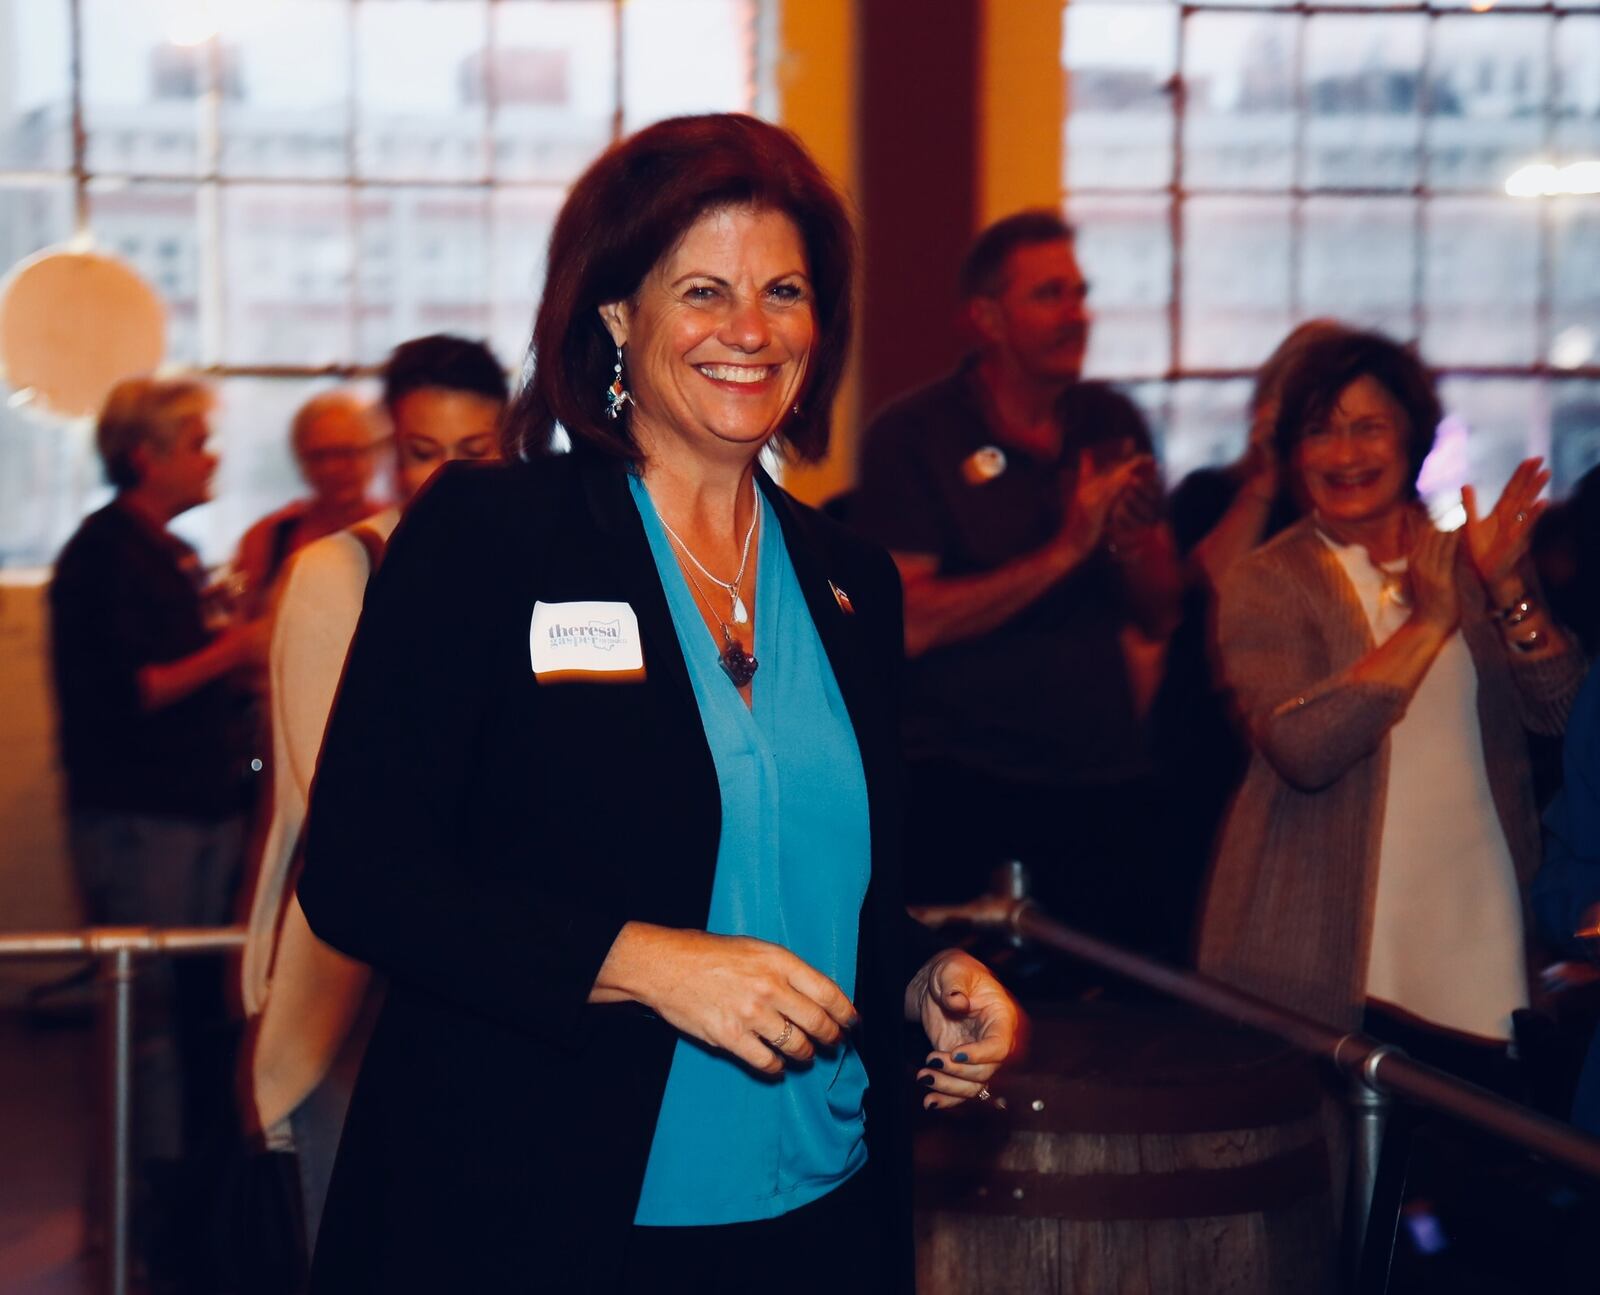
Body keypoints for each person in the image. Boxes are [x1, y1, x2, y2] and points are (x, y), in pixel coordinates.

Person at [292, 114, 1021, 1293]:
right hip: (550, 1212)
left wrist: (920, 975)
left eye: (782, 290)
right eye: (704, 289)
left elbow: (824, 884)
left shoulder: (850, 581)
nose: (748, 329)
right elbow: (360, 874)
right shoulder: (491, 537)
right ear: (618, 317)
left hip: (823, 1211)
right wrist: (641, 960)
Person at [1197, 329, 1584, 1059]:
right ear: (1292, 452)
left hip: (1479, 920)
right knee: (1336, 1158)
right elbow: (1303, 749)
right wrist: (1427, 623)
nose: (1346, 456)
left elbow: (1562, 713)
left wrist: (1505, 588)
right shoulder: (1269, 581)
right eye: (1321, 432)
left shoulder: (1470, 557)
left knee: (1476, 1148)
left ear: (1413, 438)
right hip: (1324, 941)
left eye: (1368, 428)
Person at [237, 335, 509, 1259]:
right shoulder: (338, 570)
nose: (444, 479)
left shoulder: (539, 564)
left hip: (500, 995)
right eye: (423, 452)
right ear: (396, 450)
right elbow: (344, 800)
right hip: (354, 992)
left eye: (472, 453)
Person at [850, 209, 1181, 948]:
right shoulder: (917, 435)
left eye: (1080, 292)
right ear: (987, 318)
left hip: (1102, 779)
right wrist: (1067, 549)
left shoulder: (1109, 418)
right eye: (1050, 295)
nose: (1076, 315)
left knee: (1128, 1025)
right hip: (964, 786)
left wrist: (1128, 540)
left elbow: (1162, 612)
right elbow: (907, 622)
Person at [49, 375, 266, 1287]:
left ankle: (177, 1221)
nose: (211, 458)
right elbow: (135, 690)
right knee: (154, 1025)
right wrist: (240, 647)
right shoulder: (105, 554)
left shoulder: (163, 550)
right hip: (146, 821)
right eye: (197, 443)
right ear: (149, 455)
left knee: (186, 1020)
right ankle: (149, 1228)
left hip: (193, 812)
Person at [232, 390, 384, 614]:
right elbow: (243, 621)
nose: (333, 469)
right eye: (319, 456)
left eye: (346, 453)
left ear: (375, 453)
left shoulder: (403, 529)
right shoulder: (270, 537)